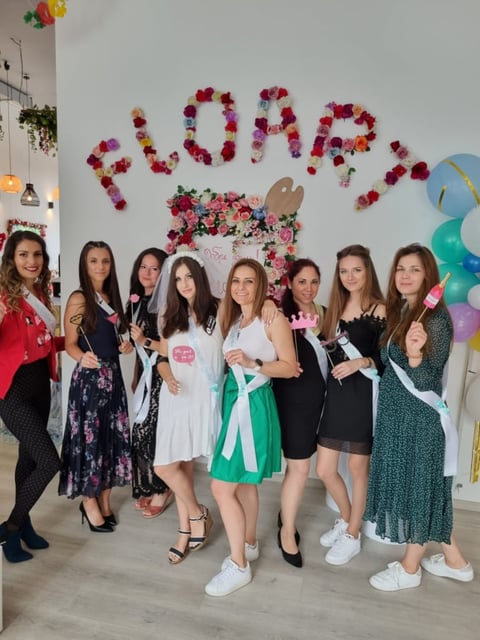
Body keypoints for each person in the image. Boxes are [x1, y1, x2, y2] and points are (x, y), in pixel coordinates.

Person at [364, 243, 473, 591]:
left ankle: (410, 569)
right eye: (400, 269)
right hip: (396, 416)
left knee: (416, 490)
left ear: (429, 276)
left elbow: (427, 379)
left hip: (418, 419)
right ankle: (456, 562)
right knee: (425, 491)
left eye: (414, 269)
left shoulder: (437, 321)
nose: (405, 275)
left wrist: (413, 357)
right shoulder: (403, 314)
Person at [205, 258, 298, 597]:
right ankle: (248, 542)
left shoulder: (274, 320)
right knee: (243, 484)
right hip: (234, 401)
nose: (241, 287)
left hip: (254, 404)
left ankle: (239, 565)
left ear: (261, 287)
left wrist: (253, 362)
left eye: (249, 281)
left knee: (220, 488)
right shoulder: (235, 320)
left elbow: (290, 367)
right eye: (236, 281)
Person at [152, 252, 225, 565]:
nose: (183, 284)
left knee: (184, 466)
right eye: (177, 279)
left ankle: (185, 531)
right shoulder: (170, 314)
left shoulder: (221, 311)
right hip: (175, 397)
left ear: (199, 277)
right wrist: (166, 375)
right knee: (166, 466)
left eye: (188, 276)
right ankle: (197, 515)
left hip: (204, 398)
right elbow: (163, 359)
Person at [316, 244, 386, 566]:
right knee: (325, 469)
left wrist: (360, 364)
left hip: (363, 394)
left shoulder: (381, 310)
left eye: (356, 270)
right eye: (344, 271)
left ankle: (354, 535)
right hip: (337, 394)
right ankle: (347, 520)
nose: (350, 276)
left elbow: (388, 361)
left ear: (368, 270)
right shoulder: (334, 308)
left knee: (359, 469)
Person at [58, 240, 133, 532]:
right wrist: (83, 358)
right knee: (90, 443)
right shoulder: (79, 299)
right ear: (84, 264)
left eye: (105, 261)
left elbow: (111, 338)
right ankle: (88, 501)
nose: (100, 266)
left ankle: (104, 499)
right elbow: (70, 344)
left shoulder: (111, 297)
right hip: (90, 380)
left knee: (110, 440)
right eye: (93, 261)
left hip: (113, 379)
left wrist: (123, 345)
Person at [0, 230, 62, 562]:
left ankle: (24, 526)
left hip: (40, 385)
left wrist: (78, 343)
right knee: (49, 461)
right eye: (24, 254)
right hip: (12, 392)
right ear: (11, 257)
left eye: (37, 254)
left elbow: (43, 343)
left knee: (28, 460)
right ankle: (9, 529)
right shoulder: (2, 294)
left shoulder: (39, 291)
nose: (32, 261)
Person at [273, 258, 327, 568]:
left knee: (301, 468)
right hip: (290, 404)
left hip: (319, 404)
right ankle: (288, 532)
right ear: (290, 284)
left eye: (314, 281)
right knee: (300, 469)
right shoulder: (279, 316)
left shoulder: (325, 315)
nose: (308, 287)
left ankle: (286, 514)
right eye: (302, 281)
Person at [126, 247, 173, 518]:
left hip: (162, 375)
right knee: (140, 432)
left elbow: (168, 348)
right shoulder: (133, 302)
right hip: (143, 375)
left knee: (154, 432)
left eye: (154, 268)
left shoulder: (166, 304)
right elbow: (132, 343)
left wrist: (144, 340)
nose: (147, 272)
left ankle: (161, 487)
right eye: (143, 266)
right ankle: (146, 485)